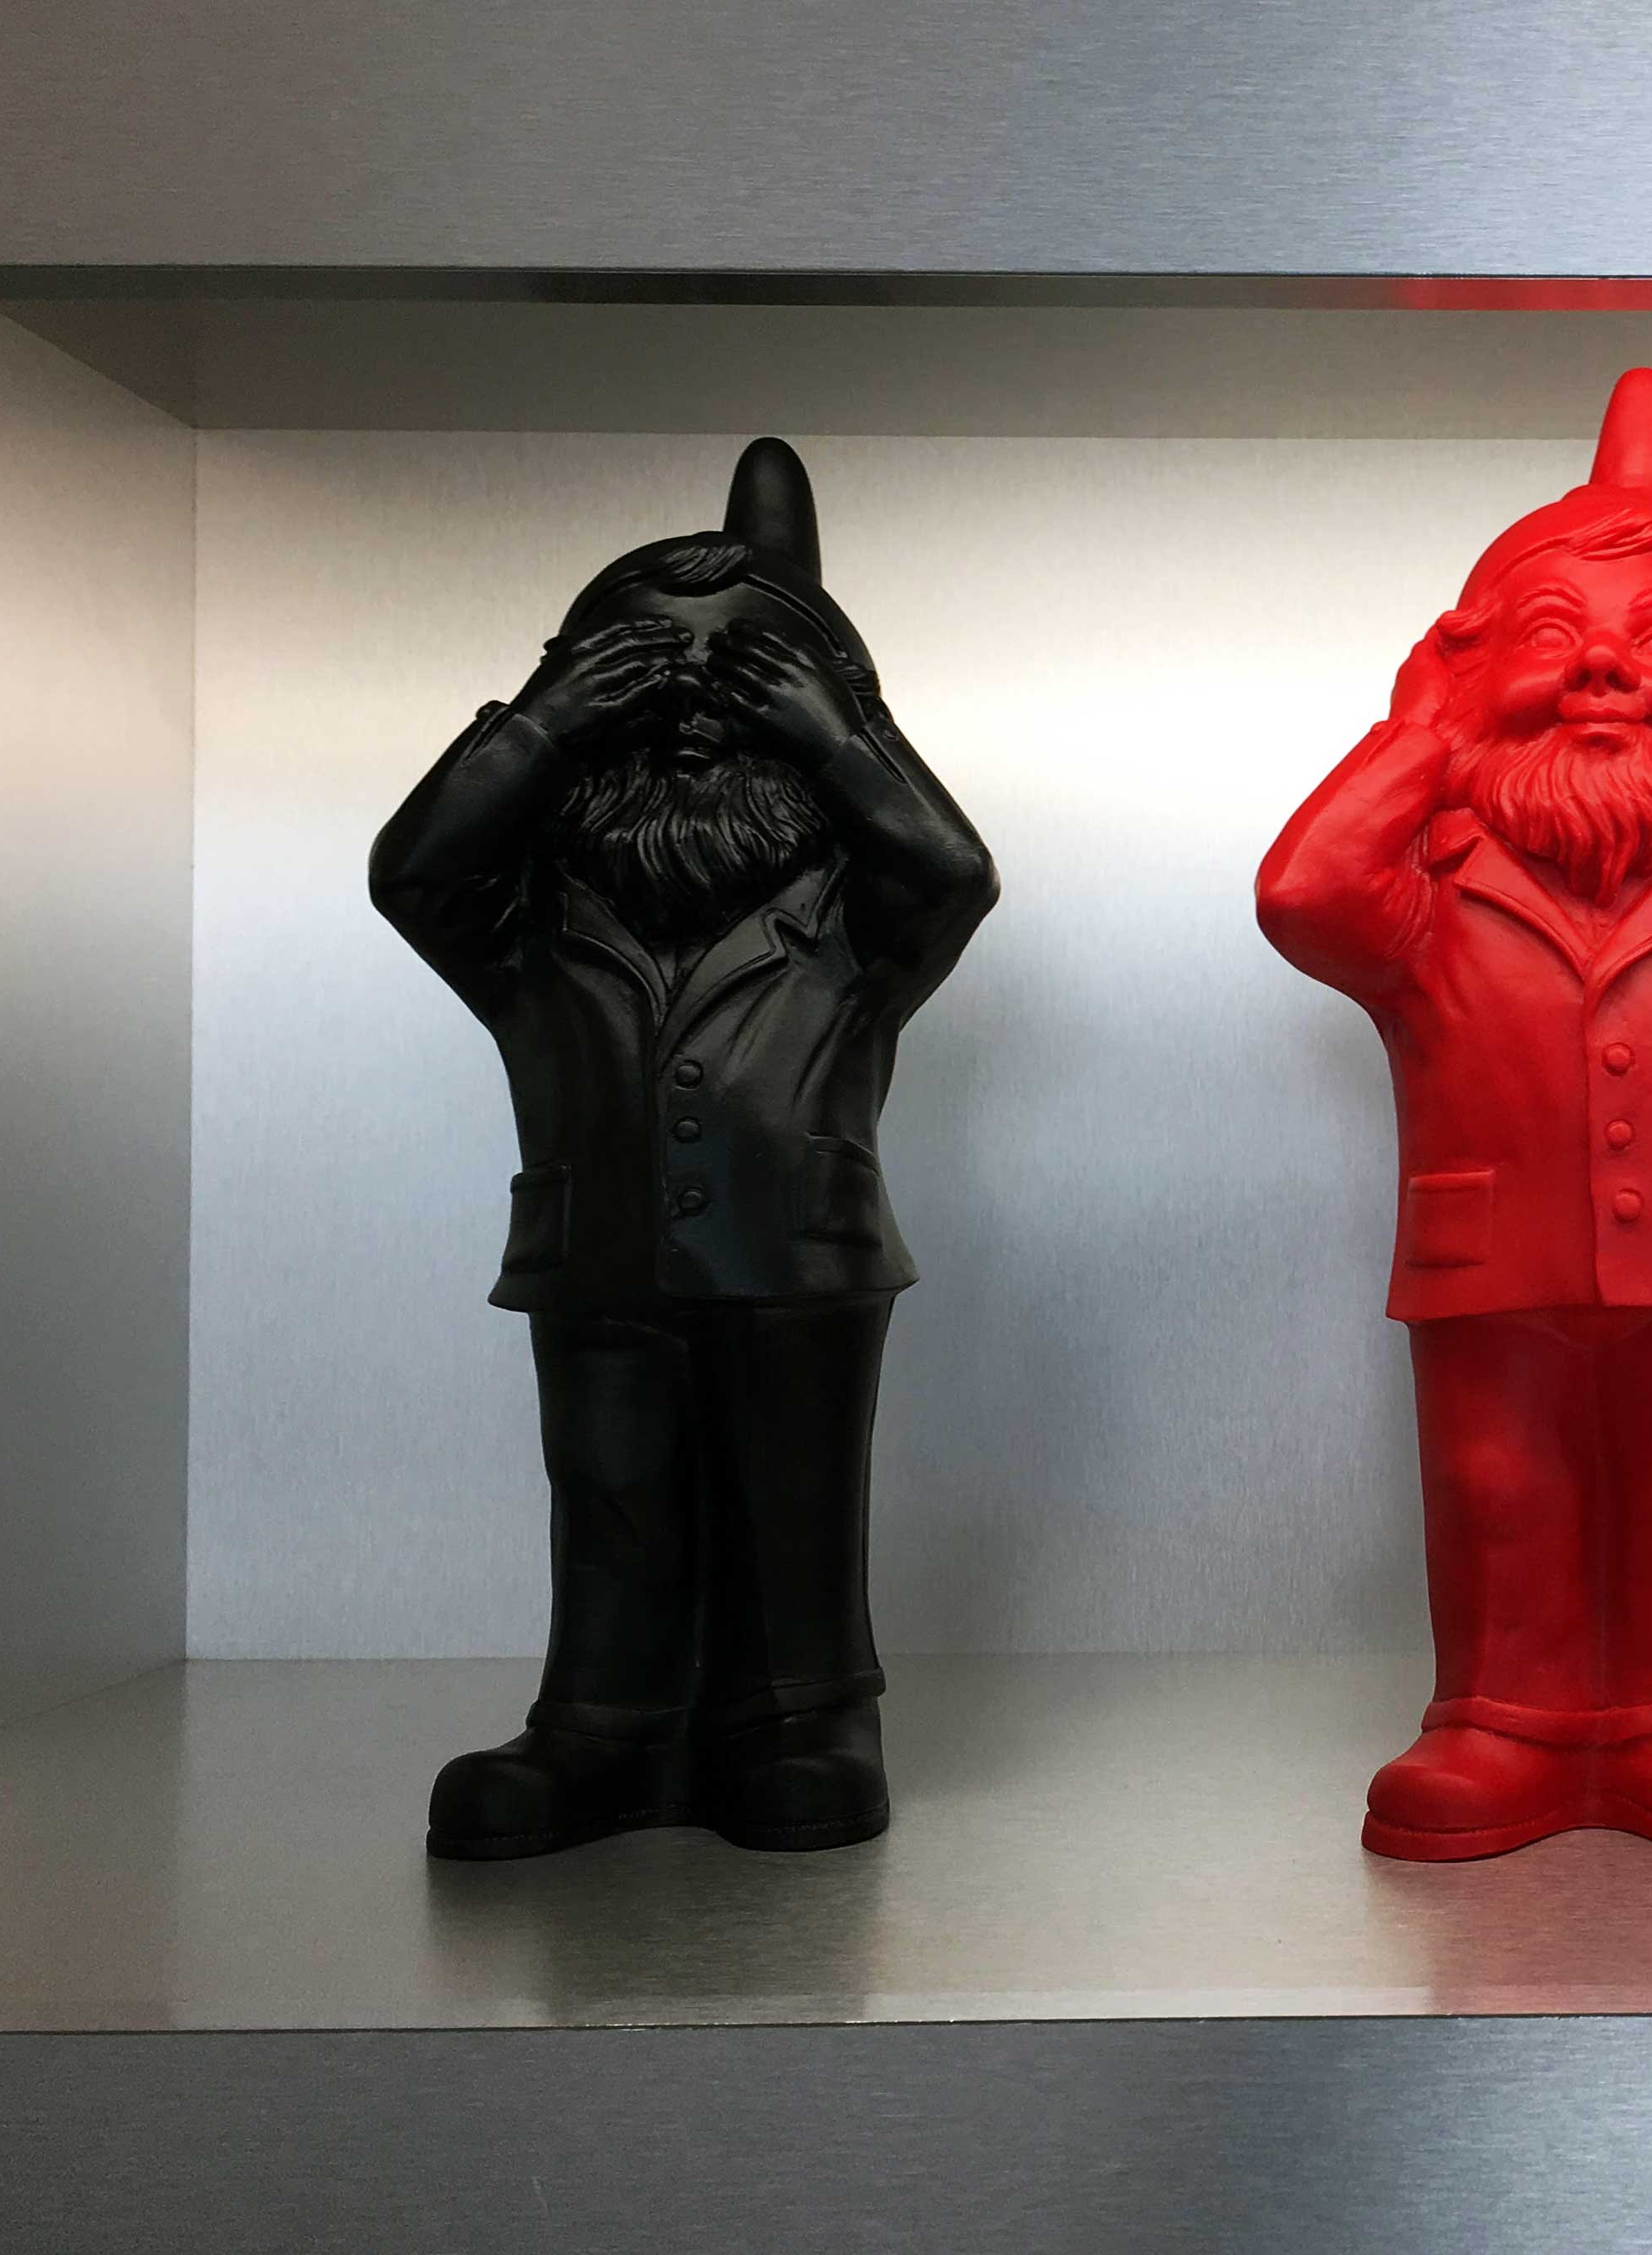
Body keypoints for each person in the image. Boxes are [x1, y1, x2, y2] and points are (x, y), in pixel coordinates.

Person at [1260, 370, 1652, 1859]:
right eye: (1551, 637)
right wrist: (1413, 737)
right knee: (1499, 1483)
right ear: (1466, 671)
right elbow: (1301, 896)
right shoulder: (1428, 889)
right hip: (1491, 1260)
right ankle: (1503, 1719)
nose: (1604, 669)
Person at [371, 437, 996, 1858]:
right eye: (651, 686)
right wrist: (541, 723)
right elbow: (408, 869)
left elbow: (955, 871)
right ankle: (602, 1728)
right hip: (598, 1254)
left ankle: (800, 1717)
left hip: (797, 1258)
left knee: (792, 1494)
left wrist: (842, 736)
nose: (698, 720)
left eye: (745, 689)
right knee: (611, 1489)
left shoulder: (855, 923)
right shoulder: (526, 923)